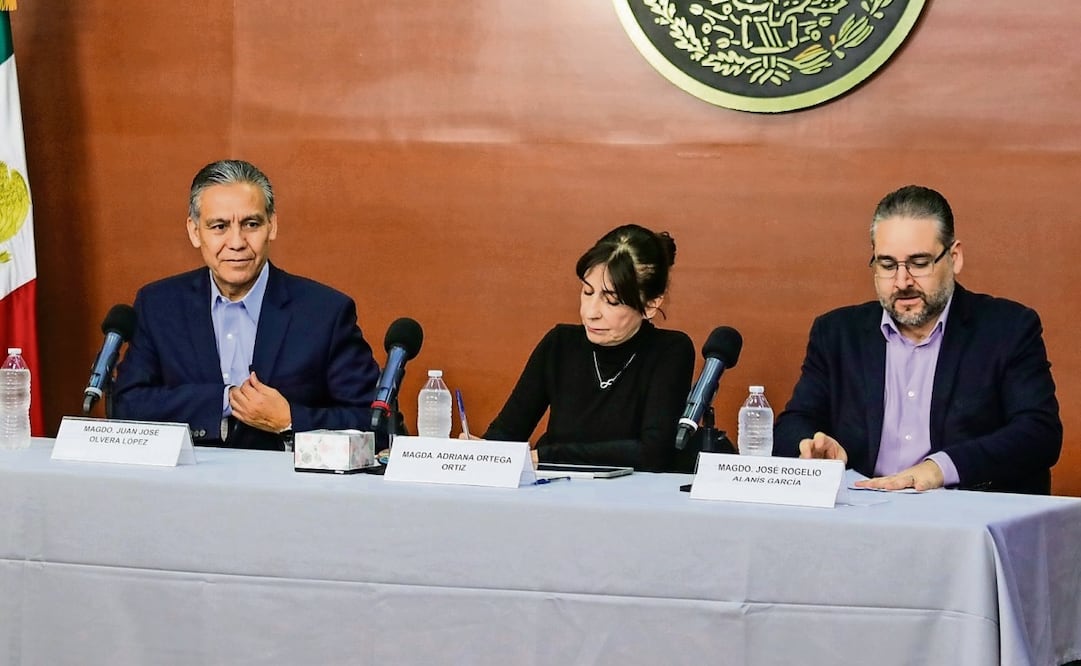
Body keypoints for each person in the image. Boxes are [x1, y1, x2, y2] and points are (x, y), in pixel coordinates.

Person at [774, 185, 1062, 494]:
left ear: (954, 257)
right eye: (887, 265)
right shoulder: (836, 333)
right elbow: (793, 425)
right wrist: (816, 449)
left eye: (919, 263)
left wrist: (940, 468)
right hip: (861, 514)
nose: (902, 281)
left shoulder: (1008, 328)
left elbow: (1038, 434)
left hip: (963, 516)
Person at [114, 159, 380, 450]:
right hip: (187, 486)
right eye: (219, 226)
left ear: (272, 226)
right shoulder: (159, 305)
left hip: (289, 489)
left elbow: (375, 422)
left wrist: (290, 420)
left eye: (251, 224)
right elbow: (127, 405)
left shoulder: (325, 312)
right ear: (194, 231)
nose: (237, 242)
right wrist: (224, 401)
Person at [479, 224, 695, 472]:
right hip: (554, 497)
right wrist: (482, 454)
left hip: (631, 503)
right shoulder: (560, 344)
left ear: (650, 305)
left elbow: (653, 453)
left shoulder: (670, 351)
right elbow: (506, 433)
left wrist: (547, 455)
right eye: (587, 292)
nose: (590, 313)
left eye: (611, 301)